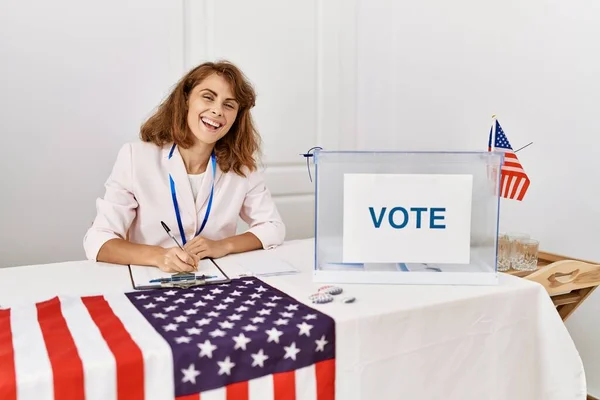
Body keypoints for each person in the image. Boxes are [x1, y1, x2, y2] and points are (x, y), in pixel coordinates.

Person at [83, 60, 286, 273]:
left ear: (237, 116)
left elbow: (273, 227)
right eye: (208, 97)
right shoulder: (135, 157)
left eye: (229, 104)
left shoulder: (242, 168)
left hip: (215, 279)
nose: (217, 110)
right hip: (152, 278)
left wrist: (222, 245)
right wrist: (159, 256)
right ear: (186, 99)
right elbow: (98, 239)